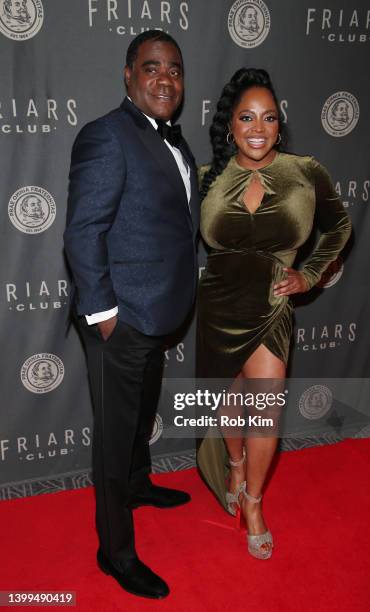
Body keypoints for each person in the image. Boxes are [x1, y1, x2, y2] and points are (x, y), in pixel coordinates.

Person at [64, 31, 199, 599]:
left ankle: (140, 485)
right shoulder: (106, 136)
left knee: (142, 415)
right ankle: (115, 552)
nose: (164, 79)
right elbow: (82, 231)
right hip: (119, 321)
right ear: (128, 75)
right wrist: (105, 317)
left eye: (173, 69)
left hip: (158, 312)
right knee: (115, 439)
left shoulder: (175, 141)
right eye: (151, 68)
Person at [197, 68, 351, 560]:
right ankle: (235, 466)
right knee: (229, 397)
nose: (258, 127)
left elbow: (339, 225)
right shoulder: (207, 178)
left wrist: (310, 275)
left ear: (279, 126)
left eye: (268, 117)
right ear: (231, 126)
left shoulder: (305, 171)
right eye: (246, 117)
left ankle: (255, 501)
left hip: (271, 305)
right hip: (218, 303)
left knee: (265, 408)